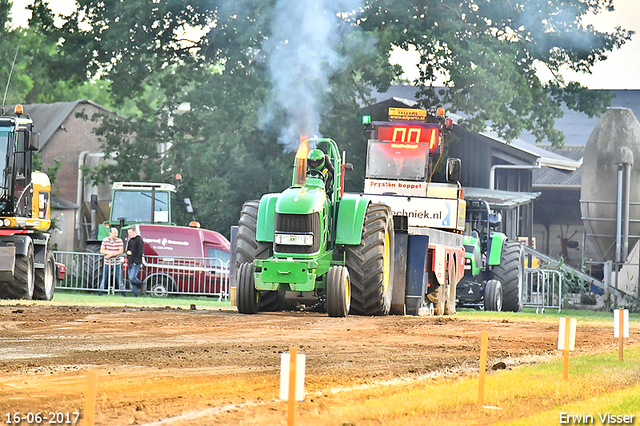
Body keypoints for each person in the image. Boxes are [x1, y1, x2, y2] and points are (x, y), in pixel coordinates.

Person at [99, 227, 125, 296]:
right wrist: (110, 254)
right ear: (110, 233)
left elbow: (121, 251)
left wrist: (111, 254)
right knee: (104, 278)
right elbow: (102, 250)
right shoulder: (105, 240)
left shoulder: (119, 241)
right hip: (107, 263)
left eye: (117, 233)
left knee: (119, 279)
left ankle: (123, 293)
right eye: (114, 233)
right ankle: (100, 292)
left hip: (117, 263)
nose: (116, 235)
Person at [126, 226, 145, 297]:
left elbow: (140, 252)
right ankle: (134, 293)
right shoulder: (130, 241)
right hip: (130, 261)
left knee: (132, 277)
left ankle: (141, 284)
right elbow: (128, 249)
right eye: (128, 233)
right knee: (131, 279)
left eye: (130, 232)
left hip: (136, 262)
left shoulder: (139, 240)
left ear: (135, 232)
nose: (129, 234)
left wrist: (136, 261)